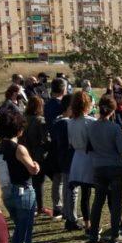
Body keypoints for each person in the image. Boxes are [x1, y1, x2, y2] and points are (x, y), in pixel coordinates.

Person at [0, 110, 39, 243]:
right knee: (25, 231)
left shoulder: (0, 147)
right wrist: (37, 165)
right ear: (19, 130)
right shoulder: (19, 149)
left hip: (7, 191)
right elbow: (32, 170)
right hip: (23, 190)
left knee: (19, 225)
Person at [87, 96, 122, 243]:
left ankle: (93, 234)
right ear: (112, 110)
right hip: (115, 166)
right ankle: (115, 235)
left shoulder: (91, 126)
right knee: (116, 202)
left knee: (98, 201)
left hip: (98, 166)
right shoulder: (114, 127)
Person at [67, 91, 97, 233]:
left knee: (85, 193)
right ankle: (90, 223)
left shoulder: (70, 122)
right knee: (88, 193)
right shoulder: (91, 122)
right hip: (88, 157)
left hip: (77, 157)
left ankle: (87, 223)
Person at [22, 96, 51, 217]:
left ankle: (33, 206)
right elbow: (46, 139)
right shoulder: (40, 120)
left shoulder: (23, 119)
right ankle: (39, 207)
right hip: (38, 154)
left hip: (25, 153)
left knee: (30, 182)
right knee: (39, 182)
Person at [50, 94, 75, 227]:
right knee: (68, 185)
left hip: (59, 156)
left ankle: (63, 208)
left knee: (62, 183)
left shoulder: (57, 120)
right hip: (67, 157)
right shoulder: (66, 123)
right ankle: (67, 211)